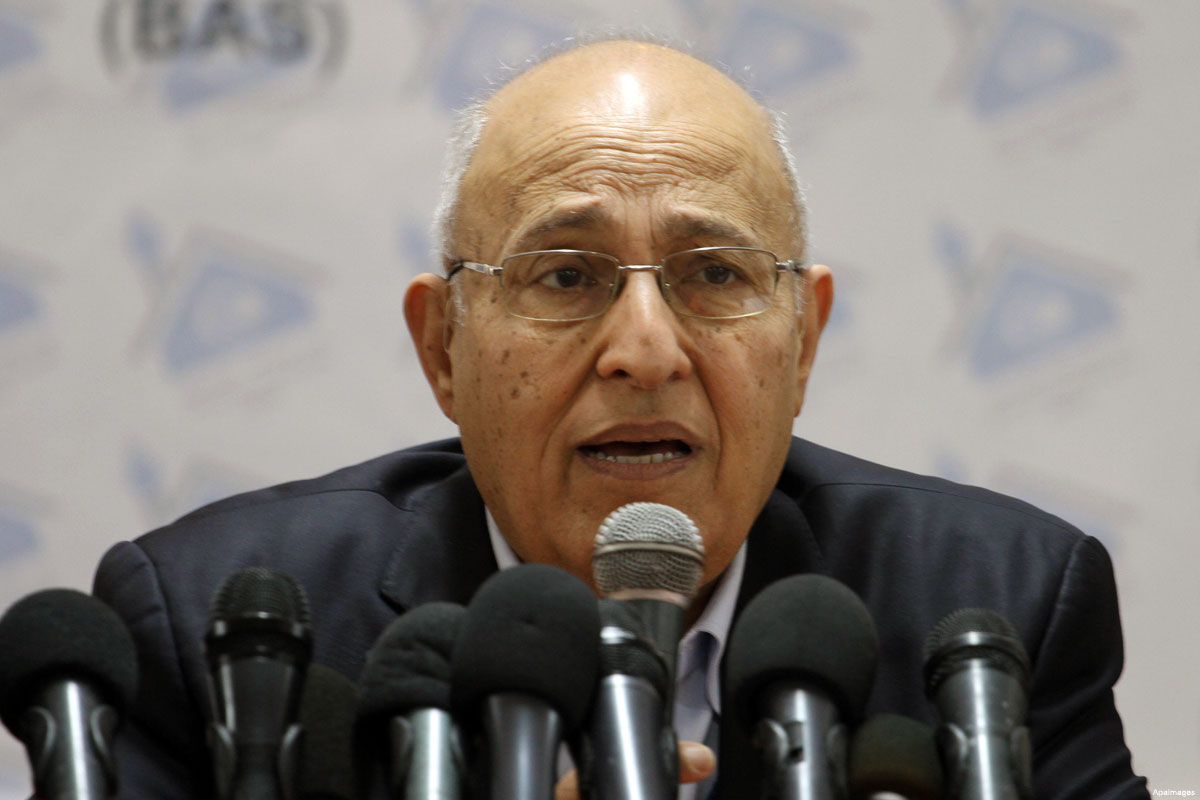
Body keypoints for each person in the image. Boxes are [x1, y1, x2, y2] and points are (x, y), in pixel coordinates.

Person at [92, 38, 1148, 799]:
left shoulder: (999, 604)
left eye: (715, 273)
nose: (645, 350)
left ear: (803, 342)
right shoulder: (215, 631)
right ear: (444, 348)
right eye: (565, 274)